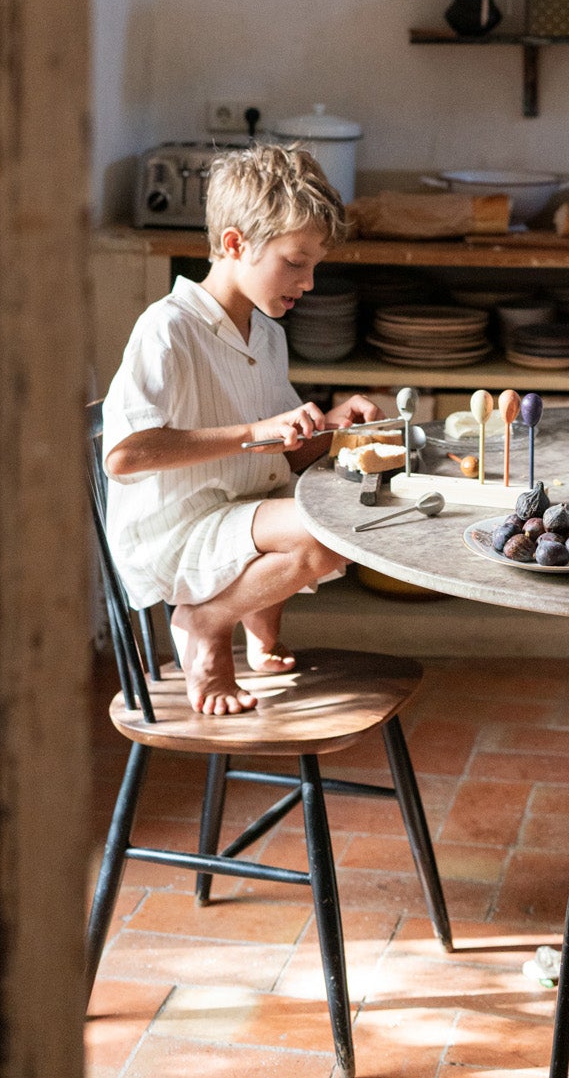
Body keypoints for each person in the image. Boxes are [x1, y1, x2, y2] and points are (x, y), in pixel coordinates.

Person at [101, 143, 380, 716]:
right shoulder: (168, 329)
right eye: (295, 261)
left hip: (239, 511)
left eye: (314, 266)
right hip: (178, 532)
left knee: (352, 505)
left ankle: (255, 621)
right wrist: (257, 430)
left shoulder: (267, 333)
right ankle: (205, 622)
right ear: (235, 244)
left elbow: (287, 454)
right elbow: (124, 456)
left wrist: (333, 429)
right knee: (324, 531)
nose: (307, 282)